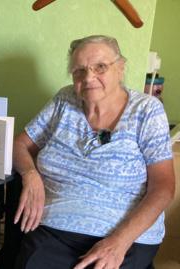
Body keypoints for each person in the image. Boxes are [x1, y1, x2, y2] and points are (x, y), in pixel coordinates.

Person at [12, 35, 175, 269]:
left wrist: (119, 243)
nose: (88, 78)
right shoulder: (65, 99)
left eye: (100, 67)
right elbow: (20, 145)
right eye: (79, 70)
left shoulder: (147, 111)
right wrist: (30, 174)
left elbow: (164, 187)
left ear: (120, 68)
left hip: (126, 236)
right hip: (54, 230)